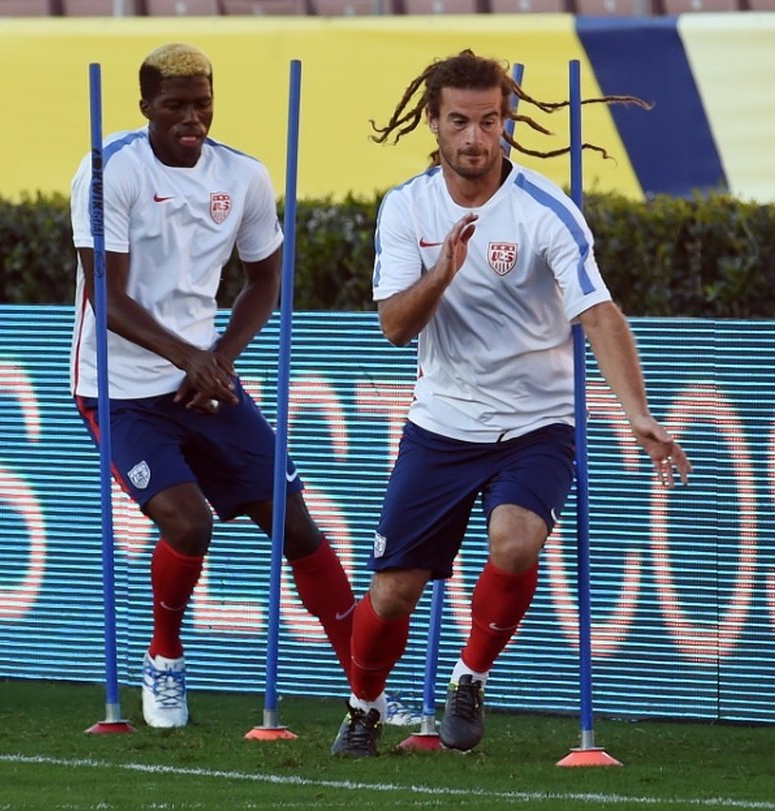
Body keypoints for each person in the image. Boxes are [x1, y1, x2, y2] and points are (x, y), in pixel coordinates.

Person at [331, 49, 692, 757]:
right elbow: (396, 327)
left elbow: (600, 313)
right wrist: (443, 271)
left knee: (515, 541)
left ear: (508, 122)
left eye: (489, 121)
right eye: (459, 122)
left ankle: (469, 679)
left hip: (537, 422)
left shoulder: (544, 209)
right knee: (392, 594)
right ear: (432, 123)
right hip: (441, 424)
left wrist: (638, 413)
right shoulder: (406, 207)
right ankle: (364, 707)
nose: (474, 138)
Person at [68, 42, 366, 729]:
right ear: (145, 105)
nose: (191, 118)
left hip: (205, 380)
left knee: (295, 524)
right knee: (189, 522)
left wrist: (219, 359)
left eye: (202, 103)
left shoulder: (245, 175)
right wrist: (189, 358)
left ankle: (367, 688)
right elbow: (106, 298)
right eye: (175, 105)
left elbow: (266, 281)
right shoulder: (108, 169)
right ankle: (165, 656)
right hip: (119, 387)